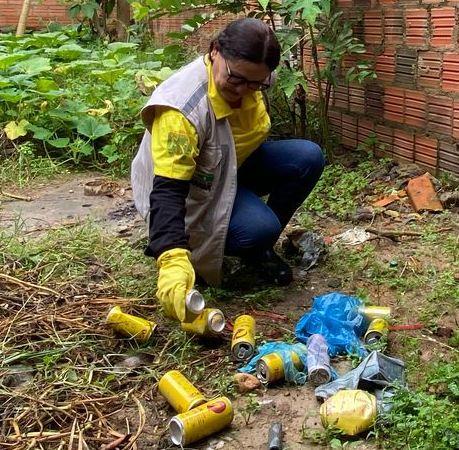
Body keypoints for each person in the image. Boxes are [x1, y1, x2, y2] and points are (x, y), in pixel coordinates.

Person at [131, 18, 325, 325]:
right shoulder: (182, 110)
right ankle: (230, 243)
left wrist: (247, 82)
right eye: (236, 80)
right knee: (259, 229)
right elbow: (168, 192)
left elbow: (243, 105)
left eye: (256, 84)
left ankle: (256, 249)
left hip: (226, 167)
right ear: (214, 51)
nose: (244, 91)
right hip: (192, 190)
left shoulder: (253, 76)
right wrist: (170, 256)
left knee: (307, 157)